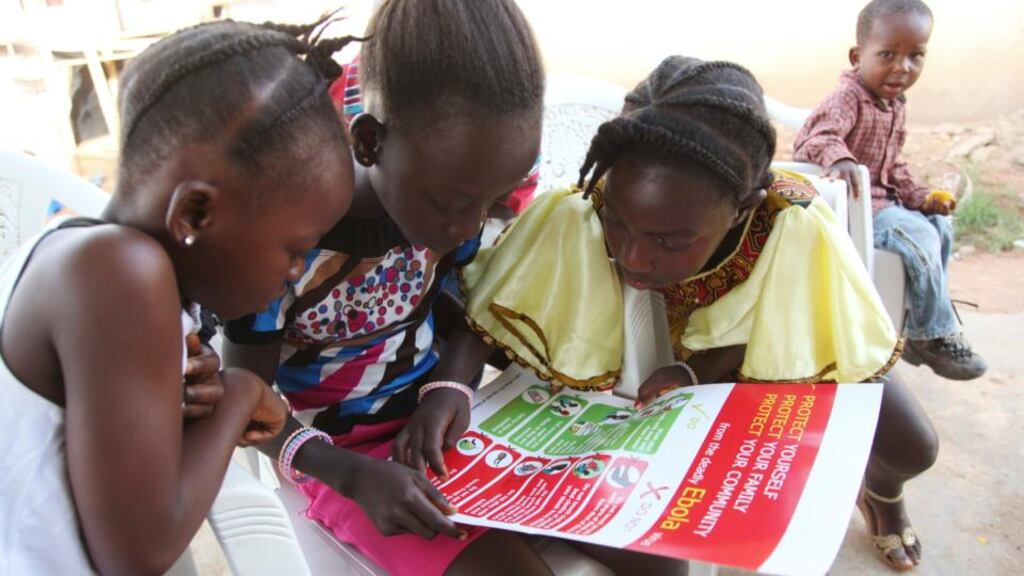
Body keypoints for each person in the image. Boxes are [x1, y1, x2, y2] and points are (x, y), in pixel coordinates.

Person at [460, 56, 938, 572]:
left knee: (914, 446)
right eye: (621, 227)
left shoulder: (793, 224)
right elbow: (489, 317)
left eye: (670, 241)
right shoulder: (586, 209)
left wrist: (698, 370)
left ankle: (882, 494)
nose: (634, 259)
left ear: (744, 206)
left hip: (789, 354)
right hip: (686, 367)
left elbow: (803, 329)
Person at [221, 2, 637, 575]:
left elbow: (460, 305)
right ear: (370, 144)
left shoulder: (441, 206)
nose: (468, 228)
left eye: (492, 203)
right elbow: (247, 399)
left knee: (646, 543)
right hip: (345, 458)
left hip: (451, 424)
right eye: (452, 204)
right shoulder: (288, 245)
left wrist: (449, 386)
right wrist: (348, 475)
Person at [0, 20, 356, 574]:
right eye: (294, 249)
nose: (294, 273)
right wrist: (242, 390)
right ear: (194, 214)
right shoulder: (122, 274)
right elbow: (137, 553)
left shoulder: (91, 251)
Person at [793, 0, 986, 382]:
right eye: (887, 54)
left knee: (937, 224)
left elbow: (893, 166)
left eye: (916, 56)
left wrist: (921, 196)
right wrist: (841, 158)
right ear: (857, 55)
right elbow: (815, 137)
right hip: (854, 207)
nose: (902, 67)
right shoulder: (848, 97)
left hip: (884, 202)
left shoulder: (894, 102)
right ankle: (934, 335)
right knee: (918, 235)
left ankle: (918, 321)